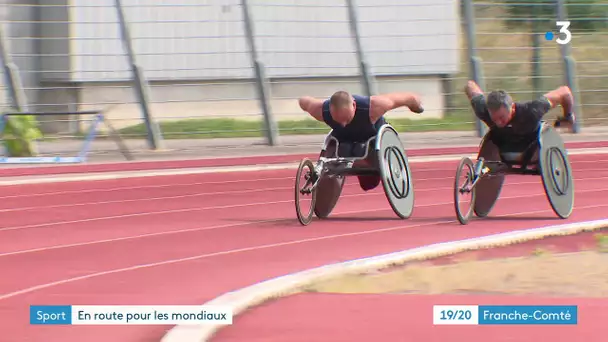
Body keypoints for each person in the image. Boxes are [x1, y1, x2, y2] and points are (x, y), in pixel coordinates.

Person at [298, 90, 424, 191]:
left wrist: (417, 106)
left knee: (368, 184)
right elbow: (304, 101)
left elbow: (408, 98)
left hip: (372, 141)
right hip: (345, 141)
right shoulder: (321, 110)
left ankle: (366, 164)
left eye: (346, 119)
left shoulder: (373, 107)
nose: (343, 124)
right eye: (338, 120)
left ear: (354, 105)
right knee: (345, 149)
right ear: (330, 110)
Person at [463, 80, 576, 152]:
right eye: (494, 118)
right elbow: (470, 86)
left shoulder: (531, 110)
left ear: (512, 108)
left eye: (502, 118)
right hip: (503, 143)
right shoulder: (484, 110)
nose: (498, 122)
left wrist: (568, 116)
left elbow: (565, 92)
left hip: (531, 144)